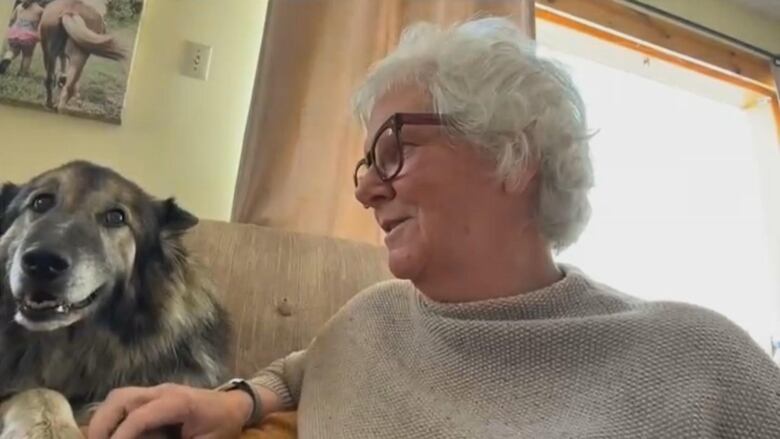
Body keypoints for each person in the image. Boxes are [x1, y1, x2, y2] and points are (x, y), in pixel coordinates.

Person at [88, 17, 780, 439]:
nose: (363, 185)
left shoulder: (700, 357)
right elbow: (301, 371)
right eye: (364, 161)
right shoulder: (370, 320)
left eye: (393, 147)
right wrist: (236, 400)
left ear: (516, 153)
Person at [0, 0, 44, 76]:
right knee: (27, 55)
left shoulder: (19, 7)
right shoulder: (40, 10)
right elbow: (43, 24)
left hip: (15, 33)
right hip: (29, 36)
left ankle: (7, 57)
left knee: (12, 50)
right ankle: (22, 73)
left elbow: (11, 19)